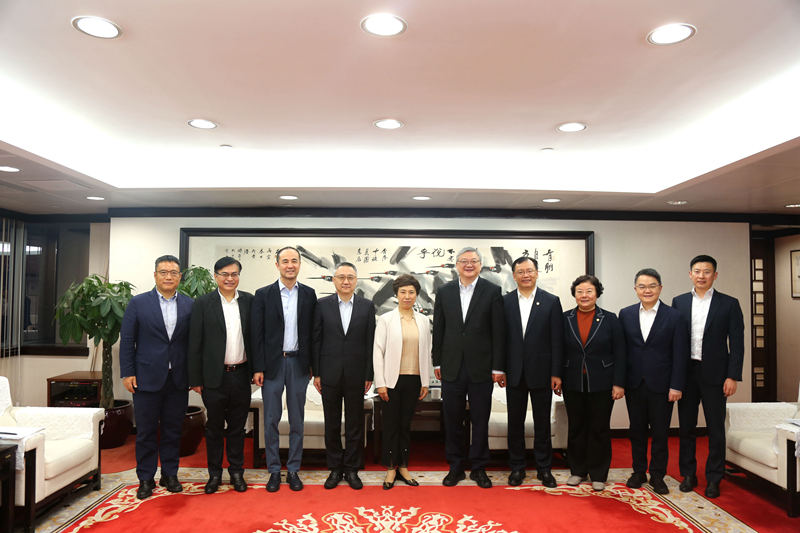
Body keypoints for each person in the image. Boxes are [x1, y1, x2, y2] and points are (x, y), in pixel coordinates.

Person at [120, 254, 193, 500]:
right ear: (155, 275)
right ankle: (145, 478)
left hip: (178, 378)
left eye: (173, 272)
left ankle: (170, 475)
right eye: (163, 272)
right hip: (146, 377)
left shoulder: (189, 304)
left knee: (173, 430)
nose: (168, 277)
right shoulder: (138, 303)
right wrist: (128, 372)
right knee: (146, 431)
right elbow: (127, 340)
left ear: (180, 277)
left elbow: (193, 343)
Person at [432, 247, 505, 489]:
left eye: (473, 261)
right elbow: (439, 328)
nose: (469, 265)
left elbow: (498, 331)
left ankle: (479, 467)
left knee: (480, 419)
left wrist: (498, 367)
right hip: (451, 366)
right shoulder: (445, 291)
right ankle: (455, 466)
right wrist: (437, 361)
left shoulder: (492, 291)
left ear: (480, 265)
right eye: (464, 261)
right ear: (457, 265)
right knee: (452, 419)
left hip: (481, 367)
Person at [672, 255, 744, 499]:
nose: (701, 275)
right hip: (686, 372)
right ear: (690, 274)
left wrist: (732, 376)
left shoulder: (729, 304)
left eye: (707, 271)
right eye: (697, 271)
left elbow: (737, 343)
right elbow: (674, 340)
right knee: (686, 427)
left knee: (715, 428)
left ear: (715, 275)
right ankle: (688, 474)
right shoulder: (679, 302)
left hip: (716, 374)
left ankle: (714, 477)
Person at [251, 246, 317, 492]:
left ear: (299, 264)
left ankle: (294, 470)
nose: (290, 265)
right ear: (277, 264)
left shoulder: (309, 294)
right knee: (271, 419)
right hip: (272, 365)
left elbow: (313, 333)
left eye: (294, 261)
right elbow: (256, 334)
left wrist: (313, 365)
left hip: (299, 364)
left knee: (297, 419)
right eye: (285, 261)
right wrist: (258, 367)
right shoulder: (263, 294)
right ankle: (274, 470)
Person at [619, 268, 688, 495]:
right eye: (642, 286)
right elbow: (622, 352)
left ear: (660, 287)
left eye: (651, 286)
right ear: (635, 289)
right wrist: (620, 382)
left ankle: (658, 476)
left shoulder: (675, 316)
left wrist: (676, 385)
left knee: (660, 433)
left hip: (663, 385)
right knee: (636, 431)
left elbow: (680, 354)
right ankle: (638, 472)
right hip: (634, 383)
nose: (647, 290)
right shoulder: (626, 314)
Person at [188, 256, 253, 494]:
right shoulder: (203, 303)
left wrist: (257, 370)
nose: (229, 278)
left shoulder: (249, 301)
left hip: (241, 375)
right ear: (216, 276)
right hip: (213, 378)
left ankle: (236, 472)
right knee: (214, 428)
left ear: (239, 276)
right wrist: (195, 379)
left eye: (234, 274)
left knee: (237, 428)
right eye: (224, 274)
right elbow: (194, 343)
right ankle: (214, 474)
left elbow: (255, 339)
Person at [312, 262, 376, 490]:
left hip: (357, 374)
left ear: (356, 280)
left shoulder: (367, 307)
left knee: (354, 424)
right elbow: (316, 340)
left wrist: (369, 374)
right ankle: (334, 468)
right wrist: (317, 373)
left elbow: (370, 342)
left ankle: (351, 469)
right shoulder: (322, 305)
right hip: (329, 373)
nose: (346, 281)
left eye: (350, 277)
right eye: (341, 277)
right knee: (331, 423)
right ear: (334, 280)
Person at [503, 257, 563, 488]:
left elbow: (557, 340)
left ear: (537, 273)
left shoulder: (551, 301)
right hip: (514, 372)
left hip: (542, 372)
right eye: (520, 272)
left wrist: (556, 373)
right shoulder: (506, 301)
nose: (525, 275)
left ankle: (544, 469)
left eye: (529, 271)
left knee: (542, 424)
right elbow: (501, 339)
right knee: (515, 423)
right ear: (514, 275)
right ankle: (517, 468)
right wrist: (500, 369)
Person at [562, 275, 626, 491]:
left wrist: (619, 383)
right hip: (572, 381)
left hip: (603, 382)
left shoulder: (610, 319)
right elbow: (558, 349)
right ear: (574, 294)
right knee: (576, 427)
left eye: (589, 291)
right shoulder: (565, 318)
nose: (584, 295)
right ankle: (577, 470)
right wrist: (557, 376)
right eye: (580, 291)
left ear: (597, 293)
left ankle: (598, 473)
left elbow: (620, 353)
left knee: (599, 428)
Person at [373, 274, 431, 489]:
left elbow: (426, 352)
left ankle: (404, 466)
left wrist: (425, 381)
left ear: (417, 295)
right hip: (391, 381)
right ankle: (390, 468)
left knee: (405, 425)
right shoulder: (386, 319)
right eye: (403, 292)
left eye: (411, 292)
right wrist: (380, 382)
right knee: (391, 425)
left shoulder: (423, 320)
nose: (407, 296)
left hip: (414, 379)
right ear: (396, 295)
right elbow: (378, 352)